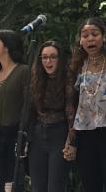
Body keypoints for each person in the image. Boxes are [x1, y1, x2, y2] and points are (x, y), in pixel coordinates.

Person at [65, 17, 106, 192]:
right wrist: (71, 139)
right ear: (80, 40)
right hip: (85, 134)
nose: (90, 39)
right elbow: (72, 104)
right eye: (85, 35)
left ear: (104, 36)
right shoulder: (78, 64)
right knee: (90, 183)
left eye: (94, 34)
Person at [0, 29, 31, 192]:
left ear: (7, 47)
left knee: (12, 185)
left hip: (15, 137)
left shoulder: (24, 71)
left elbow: (29, 106)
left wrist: (25, 138)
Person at [28, 41, 73, 192]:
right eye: (45, 57)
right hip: (38, 134)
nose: (48, 61)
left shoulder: (68, 78)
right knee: (37, 187)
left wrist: (71, 140)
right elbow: (31, 111)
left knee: (56, 187)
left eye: (53, 57)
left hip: (60, 133)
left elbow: (71, 111)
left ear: (60, 59)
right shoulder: (36, 78)